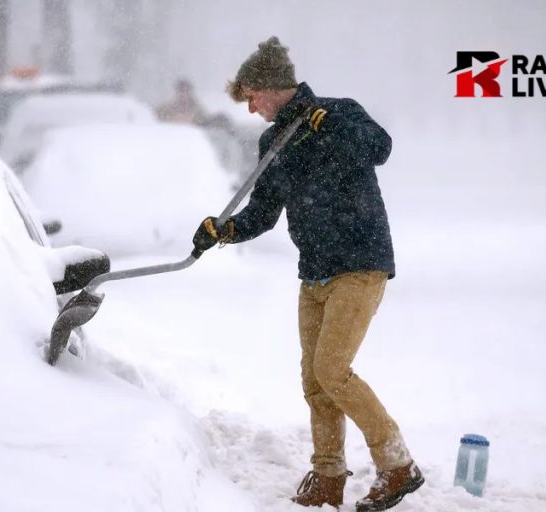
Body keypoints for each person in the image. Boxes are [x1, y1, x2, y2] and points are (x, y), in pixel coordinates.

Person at [191, 36, 423, 511]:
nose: (251, 109)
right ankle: (328, 476)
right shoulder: (274, 139)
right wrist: (225, 229)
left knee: (332, 370)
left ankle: (398, 465)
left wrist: (331, 129)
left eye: (251, 98)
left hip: (359, 264)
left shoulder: (339, 113)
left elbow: (380, 148)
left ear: (270, 87)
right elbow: (263, 212)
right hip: (314, 270)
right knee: (314, 381)